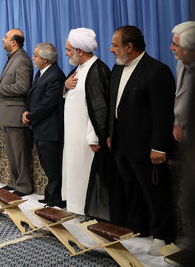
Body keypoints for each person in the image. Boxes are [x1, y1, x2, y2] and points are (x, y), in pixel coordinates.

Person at [109, 25, 176, 253]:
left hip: (147, 147)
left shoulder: (157, 71)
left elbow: (163, 114)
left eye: (115, 45)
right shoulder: (117, 70)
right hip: (121, 145)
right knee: (132, 190)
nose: (111, 50)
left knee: (155, 192)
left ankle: (163, 235)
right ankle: (139, 228)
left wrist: (159, 147)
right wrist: (110, 134)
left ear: (130, 46)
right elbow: (113, 107)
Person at [62, 28, 111, 219]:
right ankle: (76, 208)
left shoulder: (97, 70)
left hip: (87, 138)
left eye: (68, 49)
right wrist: (64, 88)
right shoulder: (79, 68)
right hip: (74, 135)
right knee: (75, 172)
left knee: (84, 174)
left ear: (79, 51)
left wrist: (94, 136)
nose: (66, 53)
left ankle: (87, 211)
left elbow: (100, 107)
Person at [0, 29, 33, 196]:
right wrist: (0, 82)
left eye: (6, 37)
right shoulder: (13, 58)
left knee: (19, 153)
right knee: (12, 152)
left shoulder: (22, 59)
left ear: (14, 42)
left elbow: (23, 87)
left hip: (15, 114)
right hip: (7, 115)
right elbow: (13, 81)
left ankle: (24, 186)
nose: (3, 39)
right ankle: (14, 182)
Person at [22, 43, 65, 207]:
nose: (33, 58)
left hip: (50, 130)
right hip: (41, 128)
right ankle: (50, 195)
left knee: (53, 167)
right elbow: (32, 96)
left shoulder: (55, 75)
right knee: (47, 165)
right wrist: (26, 111)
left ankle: (56, 198)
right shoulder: (41, 73)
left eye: (35, 55)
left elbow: (48, 103)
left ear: (45, 60)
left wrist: (30, 116)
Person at [171, 21, 194, 142]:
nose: (171, 48)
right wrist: (177, 123)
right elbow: (178, 95)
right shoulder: (181, 62)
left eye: (176, 45)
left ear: (190, 49)